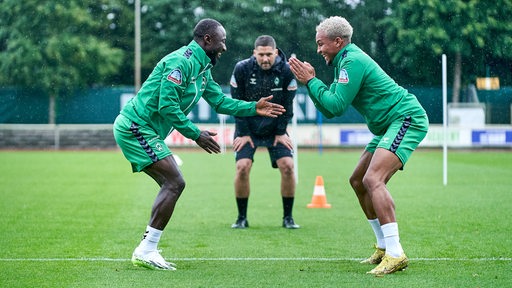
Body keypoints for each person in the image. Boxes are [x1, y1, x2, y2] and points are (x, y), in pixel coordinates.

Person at [113, 18, 286, 271]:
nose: (224, 47)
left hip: (146, 130)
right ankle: (146, 250)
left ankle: (148, 248)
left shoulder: (203, 68)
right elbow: (167, 105)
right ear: (207, 39)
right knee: (174, 182)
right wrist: (196, 134)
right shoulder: (180, 62)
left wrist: (253, 107)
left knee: (172, 183)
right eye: (222, 41)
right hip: (134, 127)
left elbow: (220, 103)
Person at [288, 16, 429, 275]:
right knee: (357, 180)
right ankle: (384, 247)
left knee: (373, 179)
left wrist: (310, 81)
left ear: (338, 41)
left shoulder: (351, 61)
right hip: (387, 125)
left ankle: (396, 253)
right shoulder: (344, 61)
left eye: (321, 44)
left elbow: (335, 106)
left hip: (405, 118)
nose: (318, 50)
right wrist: (312, 83)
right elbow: (330, 107)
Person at [229, 35, 299, 229]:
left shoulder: (286, 71)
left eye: (269, 54)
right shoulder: (241, 69)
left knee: (288, 166)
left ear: (276, 53)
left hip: (276, 128)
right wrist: (243, 133)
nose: (265, 59)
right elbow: (237, 104)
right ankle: (241, 218)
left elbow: (288, 106)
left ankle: (288, 218)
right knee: (242, 167)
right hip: (247, 128)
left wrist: (280, 132)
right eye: (261, 55)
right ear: (254, 54)